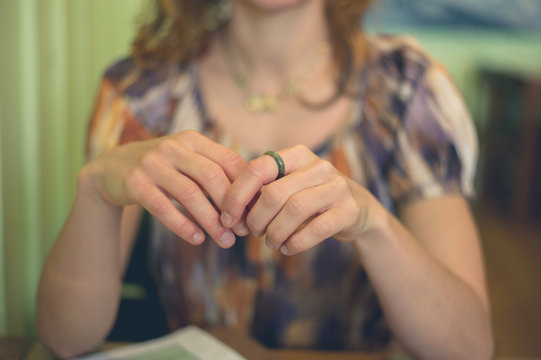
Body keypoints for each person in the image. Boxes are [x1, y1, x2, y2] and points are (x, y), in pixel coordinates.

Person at [36, 0, 494, 358]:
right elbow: (65, 339)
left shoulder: (407, 86)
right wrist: (95, 190)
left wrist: (372, 222)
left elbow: (468, 347)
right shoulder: (139, 90)